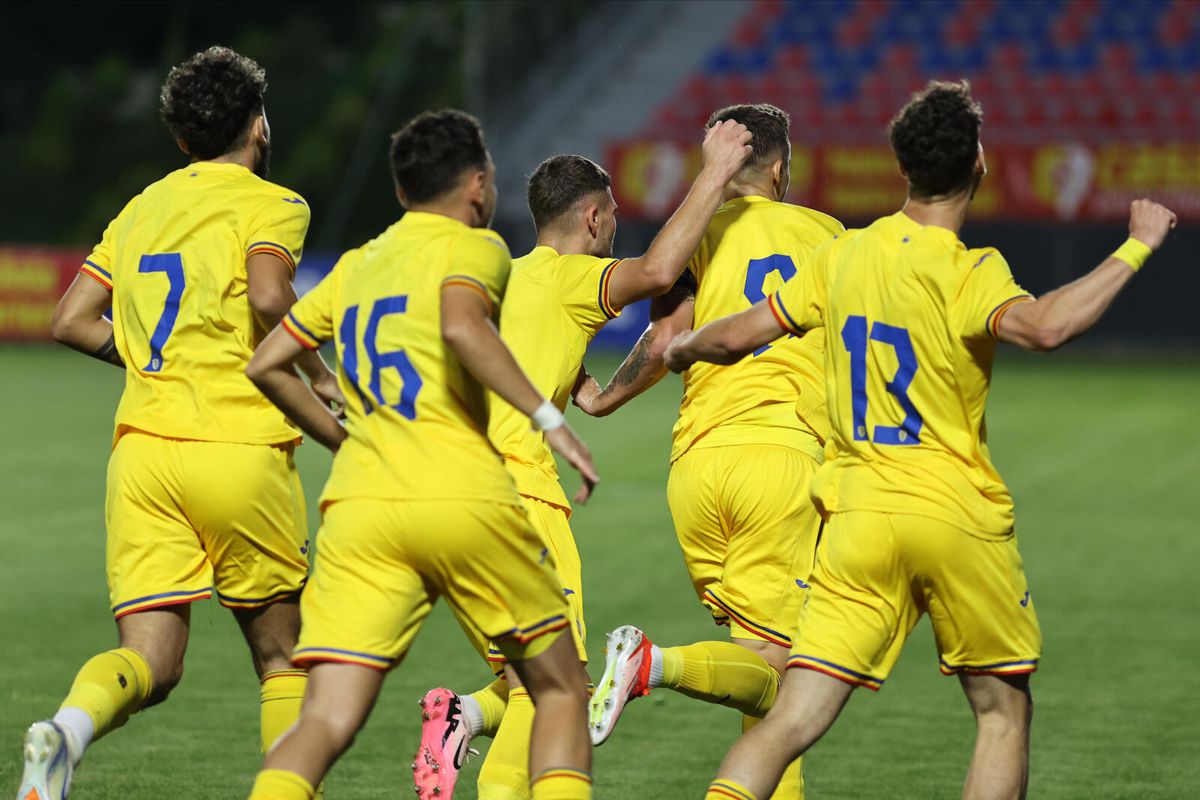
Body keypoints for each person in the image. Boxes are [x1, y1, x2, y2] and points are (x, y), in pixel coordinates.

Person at [659, 81, 1177, 800]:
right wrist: (1137, 246)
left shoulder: (845, 255)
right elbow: (1048, 326)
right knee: (1001, 714)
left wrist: (683, 348)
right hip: (952, 514)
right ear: (980, 163)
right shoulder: (970, 270)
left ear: (901, 168)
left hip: (858, 520)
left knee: (792, 719)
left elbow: (735, 335)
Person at [242, 109, 601, 800]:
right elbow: (462, 326)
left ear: (402, 190)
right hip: (462, 495)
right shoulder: (477, 248)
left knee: (325, 717)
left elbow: (266, 364)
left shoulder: (356, 265)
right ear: (477, 185)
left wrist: (342, 437)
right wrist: (548, 417)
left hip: (362, 509)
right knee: (559, 687)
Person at [16, 46, 341, 800]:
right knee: (283, 657)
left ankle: (68, 729)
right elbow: (269, 295)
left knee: (151, 662)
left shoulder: (141, 208)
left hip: (143, 458)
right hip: (238, 449)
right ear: (258, 124)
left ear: (182, 138)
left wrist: (149, 361)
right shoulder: (275, 204)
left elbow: (70, 320)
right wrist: (322, 376)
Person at [414, 119, 753, 800]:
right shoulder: (572, 278)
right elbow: (657, 272)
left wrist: (590, 394)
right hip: (518, 499)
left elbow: (525, 369)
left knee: (527, 677)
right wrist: (715, 173)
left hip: (444, 497)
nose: (616, 226)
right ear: (593, 218)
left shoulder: (502, 281)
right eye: (614, 215)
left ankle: (462, 717)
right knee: (556, 686)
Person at [577, 103, 843, 800]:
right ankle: (653, 664)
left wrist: (602, 398)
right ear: (781, 169)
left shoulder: (695, 231)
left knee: (766, 675)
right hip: (782, 457)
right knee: (783, 676)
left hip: (696, 465)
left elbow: (665, 340)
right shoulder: (828, 235)